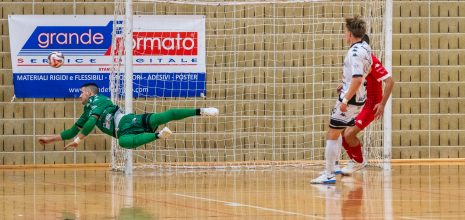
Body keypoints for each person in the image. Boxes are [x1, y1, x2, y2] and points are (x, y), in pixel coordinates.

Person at [38, 83, 219, 149]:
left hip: (125, 121)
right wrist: (50, 139)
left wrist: (79, 140)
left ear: (89, 92)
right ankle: (158, 135)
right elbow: (70, 131)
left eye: (81, 93)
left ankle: (201, 111)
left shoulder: (98, 99)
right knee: (124, 143)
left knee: (163, 116)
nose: (79, 96)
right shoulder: (86, 112)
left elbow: (92, 123)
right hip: (121, 133)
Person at [310, 16, 372, 184]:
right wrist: (345, 84)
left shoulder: (354, 53)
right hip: (357, 97)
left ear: (350, 34)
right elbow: (362, 75)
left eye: (346, 32)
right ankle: (334, 167)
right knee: (335, 131)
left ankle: (329, 174)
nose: (345, 35)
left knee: (332, 132)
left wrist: (345, 98)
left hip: (351, 100)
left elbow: (358, 79)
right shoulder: (366, 47)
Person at [338, 34, 395, 175]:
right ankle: (355, 160)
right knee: (339, 130)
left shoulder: (372, 61)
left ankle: (359, 162)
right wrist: (343, 87)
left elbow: (390, 81)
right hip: (359, 103)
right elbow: (357, 80)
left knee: (349, 134)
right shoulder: (356, 59)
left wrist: (381, 104)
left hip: (371, 105)